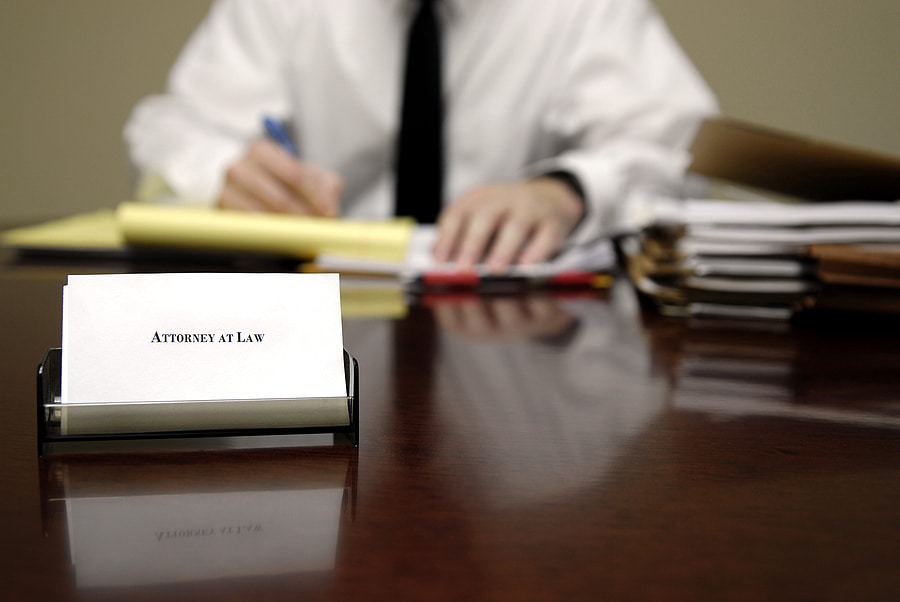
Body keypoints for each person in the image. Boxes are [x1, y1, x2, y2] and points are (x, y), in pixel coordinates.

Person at [124, 0, 717, 270]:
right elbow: (169, 126)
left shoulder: (587, 10)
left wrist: (568, 190)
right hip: (316, 318)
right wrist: (224, 171)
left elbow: (684, 155)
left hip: (522, 340)